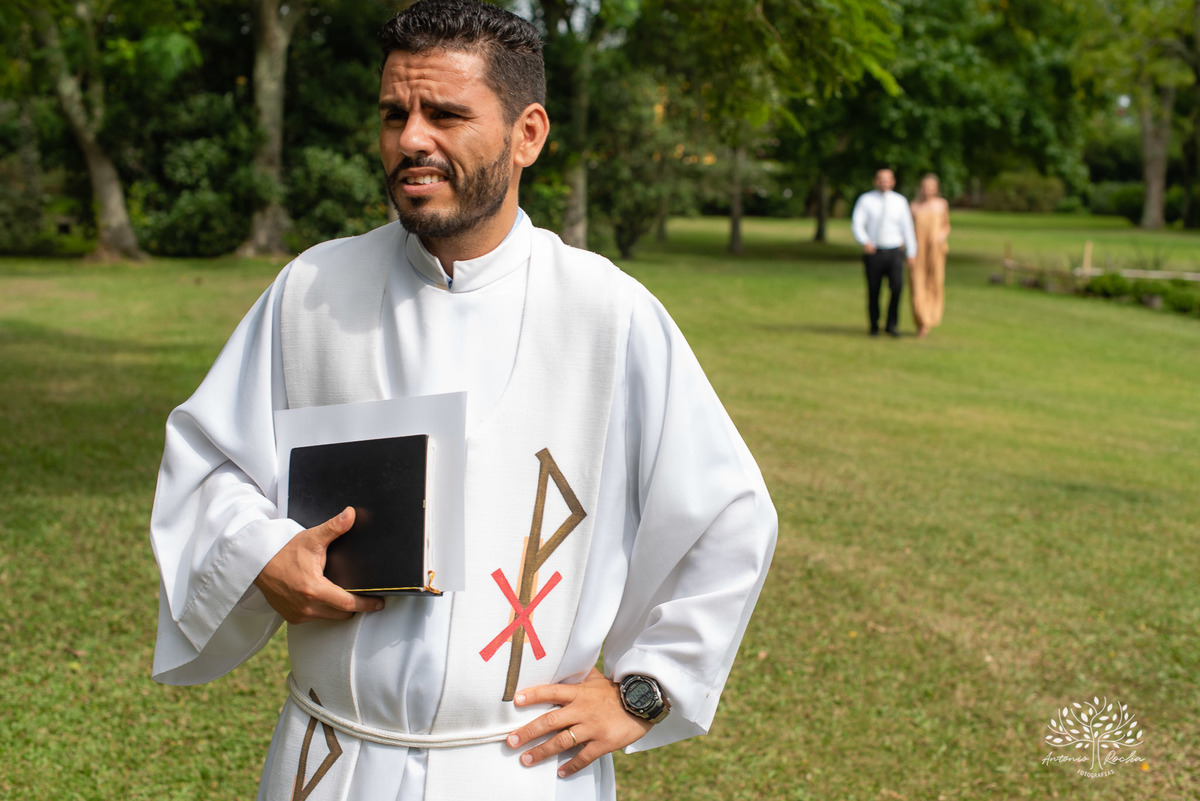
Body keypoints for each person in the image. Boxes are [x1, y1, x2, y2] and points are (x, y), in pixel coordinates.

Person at [148, 2, 777, 800]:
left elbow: (730, 513)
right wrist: (259, 552)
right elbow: (209, 467)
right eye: (394, 113)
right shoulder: (311, 292)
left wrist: (646, 690)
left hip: (517, 767)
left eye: (445, 113)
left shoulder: (606, 313)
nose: (412, 138)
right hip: (334, 761)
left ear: (529, 135)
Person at [850, 168, 917, 337]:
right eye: (880, 179)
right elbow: (857, 222)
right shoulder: (866, 200)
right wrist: (864, 241)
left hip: (894, 251)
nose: (884, 182)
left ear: (893, 181)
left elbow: (907, 227)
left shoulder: (900, 201)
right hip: (874, 252)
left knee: (896, 288)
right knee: (874, 290)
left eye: (887, 179)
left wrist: (912, 252)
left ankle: (891, 325)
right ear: (875, 180)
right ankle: (874, 325)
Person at [908, 173, 951, 338]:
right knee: (917, 284)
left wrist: (941, 236)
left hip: (935, 251)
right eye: (925, 187)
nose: (928, 190)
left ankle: (931, 318)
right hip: (918, 252)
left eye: (931, 187)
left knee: (935, 282)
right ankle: (921, 320)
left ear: (936, 189)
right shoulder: (914, 206)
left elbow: (946, 226)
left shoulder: (941, 205)